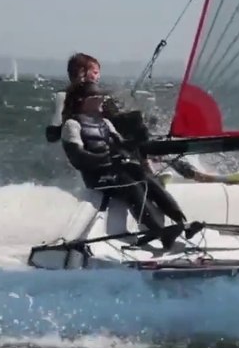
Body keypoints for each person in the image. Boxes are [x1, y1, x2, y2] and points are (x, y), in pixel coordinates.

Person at [59, 51, 239, 185]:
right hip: (101, 150)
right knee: (138, 130)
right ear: (82, 73)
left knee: (148, 130)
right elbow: (57, 131)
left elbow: (112, 115)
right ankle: (153, 171)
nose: (98, 76)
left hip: (118, 140)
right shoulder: (68, 98)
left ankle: (194, 174)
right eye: (95, 72)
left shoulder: (99, 94)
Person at [59, 82, 198, 250]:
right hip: (95, 176)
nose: (103, 100)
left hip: (114, 168)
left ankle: (183, 224)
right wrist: (107, 158)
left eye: (103, 96)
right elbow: (78, 158)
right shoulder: (72, 125)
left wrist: (138, 139)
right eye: (97, 97)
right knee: (131, 185)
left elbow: (122, 145)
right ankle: (160, 233)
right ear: (82, 101)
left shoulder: (104, 122)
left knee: (148, 179)